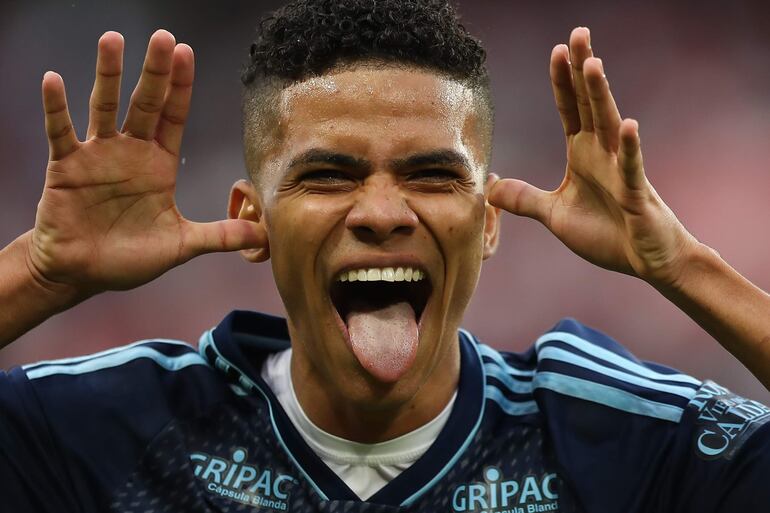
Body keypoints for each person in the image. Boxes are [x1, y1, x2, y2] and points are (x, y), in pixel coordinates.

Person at [1, 0, 769, 511]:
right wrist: (38, 274)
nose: (379, 213)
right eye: (328, 174)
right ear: (252, 217)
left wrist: (682, 265)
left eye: (432, 174)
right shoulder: (119, 425)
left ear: (490, 222)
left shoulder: (605, 431)